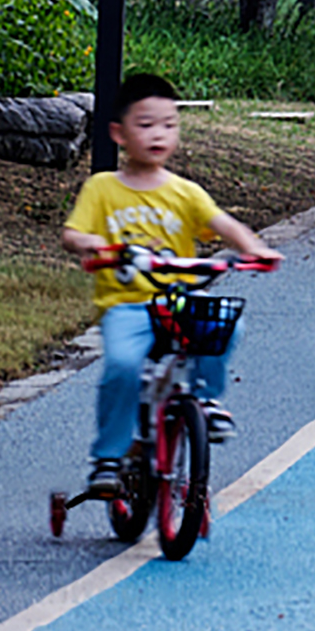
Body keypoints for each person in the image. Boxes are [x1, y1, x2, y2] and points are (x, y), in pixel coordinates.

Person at [60, 72, 279, 495]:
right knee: (123, 366)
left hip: (180, 301)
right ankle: (108, 457)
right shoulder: (103, 188)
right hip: (128, 305)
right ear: (118, 133)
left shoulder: (185, 192)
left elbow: (222, 224)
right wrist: (96, 244)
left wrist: (256, 249)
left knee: (224, 325)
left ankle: (205, 398)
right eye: (145, 125)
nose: (158, 134)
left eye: (168, 124)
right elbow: (73, 235)